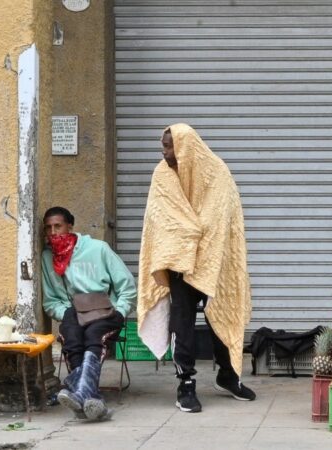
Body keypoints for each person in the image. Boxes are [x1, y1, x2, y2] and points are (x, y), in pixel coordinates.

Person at [137, 123, 255, 414]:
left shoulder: (217, 172)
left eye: (169, 146)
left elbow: (223, 217)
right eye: (163, 146)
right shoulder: (161, 175)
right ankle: (185, 383)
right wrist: (189, 236)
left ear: (185, 147)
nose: (164, 153)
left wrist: (196, 237)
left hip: (216, 262)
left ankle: (228, 375)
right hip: (179, 262)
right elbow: (160, 218)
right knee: (182, 324)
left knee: (223, 316)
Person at [41, 206, 137, 421]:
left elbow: (127, 286)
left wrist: (120, 311)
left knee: (94, 335)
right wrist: (67, 312)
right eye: (48, 228)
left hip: (105, 310)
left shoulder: (98, 248)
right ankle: (91, 397)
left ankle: (79, 393)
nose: (53, 232)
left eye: (58, 226)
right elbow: (50, 301)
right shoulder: (48, 258)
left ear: (70, 226)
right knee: (72, 338)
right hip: (73, 312)